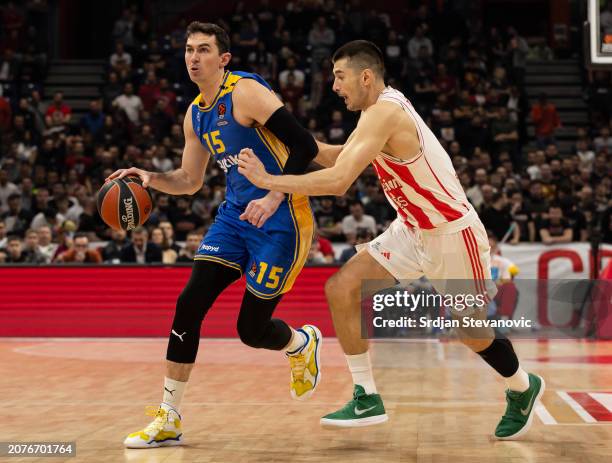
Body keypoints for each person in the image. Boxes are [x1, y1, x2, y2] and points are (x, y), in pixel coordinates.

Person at [239, 40, 544, 439]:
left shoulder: (385, 112)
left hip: (452, 233)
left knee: (469, 329)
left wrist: (268, 181)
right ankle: (366, 395)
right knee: (342, 287)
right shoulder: (374, 111)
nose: (333, 86)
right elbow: (338, 156)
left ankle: (522, 385)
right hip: (411, 228)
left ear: (366, 76)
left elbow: (338, 180)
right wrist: (287, 139)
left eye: (339, 76)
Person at [108, 22, 339, 449]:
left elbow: (304, 147)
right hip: (233, 218)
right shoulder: (195, 113)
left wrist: (272, 196)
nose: (193, 58)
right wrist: (149, 178)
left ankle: (301, 341)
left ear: (224, 58)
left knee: (250, 331)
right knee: (188, 303)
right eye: (189, 49)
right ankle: (169, 418)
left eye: (204, 50)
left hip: (282, 217)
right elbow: (189, 180)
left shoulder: (246, 93)